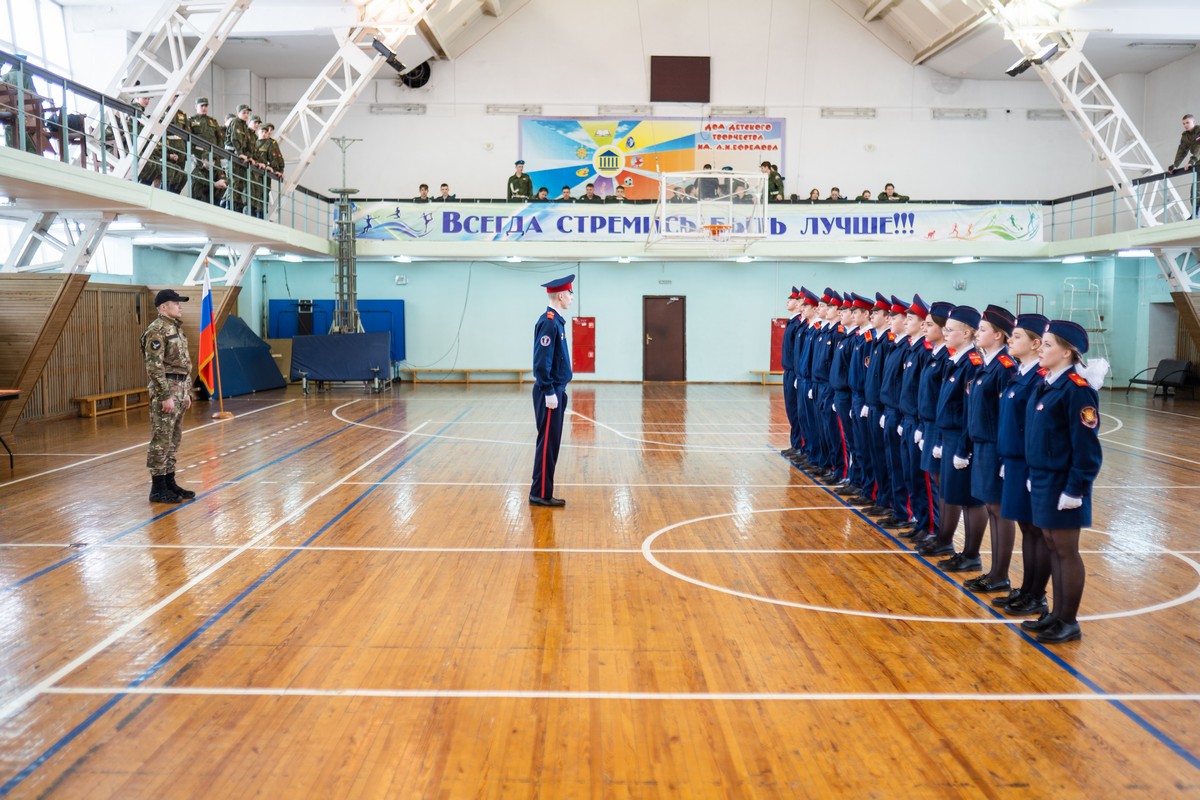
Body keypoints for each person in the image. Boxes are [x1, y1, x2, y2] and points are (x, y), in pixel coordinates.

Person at [1018, 320, 1105, 644]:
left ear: (1067, 352)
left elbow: (1086, 447)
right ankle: (1055, 615)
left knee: (1065, 550)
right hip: (1043, 477)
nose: (1040, 349)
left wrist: (1076, 488)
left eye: (1048, 344)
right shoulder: (1047, 383)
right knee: (1052, 547)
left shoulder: (1077, 389)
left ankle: (1068, 621)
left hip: (1064, 481)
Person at [992, 313, 1051, 617]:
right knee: (1027, 528)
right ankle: (1027, 589)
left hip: (1028, 462)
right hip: (1014, 460)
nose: (1010, 340)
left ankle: (1036, 594)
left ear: (1035, 344)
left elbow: (1033, 429)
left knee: (1036, 531)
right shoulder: (1020, 373)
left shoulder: (1038, 378)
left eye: (1016, 337)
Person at [960, 305, 1017, 593]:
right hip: (982, 443)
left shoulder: (1005, 367)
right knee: (991, 507)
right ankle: (994, 572)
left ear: (998, 335)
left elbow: (1006, 415)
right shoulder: (988, 363)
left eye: (982, 330)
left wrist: (1004, 454)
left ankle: (1000, 574)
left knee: (998, 509)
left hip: (995, 445)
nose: (977, 333)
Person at [142, 289, 195, 504]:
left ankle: (169, 482)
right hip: (167, 390)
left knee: (174, 439)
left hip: (179, 389)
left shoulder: (175, 328)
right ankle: (157, 488)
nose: (180, 306)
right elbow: (154, 367)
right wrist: (165, 395)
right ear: (163, 307)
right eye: (176, 303)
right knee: (161, 439)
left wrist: (187, 391)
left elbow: (183, 364)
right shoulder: (156, 331)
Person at [531, 274, 575, 507]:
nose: (571, 297)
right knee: (547, 443)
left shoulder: (556, 321)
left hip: (557, 390)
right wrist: (548, 391)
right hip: (550, 391)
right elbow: (542, 361)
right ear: (560, 296)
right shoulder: (549, 322)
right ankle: (540, 493)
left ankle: (542, 490)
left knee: (551, 443)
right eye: (570, 293)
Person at [780, 287, 803, 459]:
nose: (788, 301)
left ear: (799, 303)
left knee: (796, 410)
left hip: (795, 372)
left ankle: (799, 445)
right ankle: (795, 444)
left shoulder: (798, 324)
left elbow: (798, 353)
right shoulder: (792, 322)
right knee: (791, 410)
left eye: (792, 299)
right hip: (788, 371)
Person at [224, 104, 255, 212]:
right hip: (233, 155)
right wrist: (239, 153)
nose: (246, 115)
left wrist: (249, 157)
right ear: (238, 113)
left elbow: (247, 144)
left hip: (241, 158)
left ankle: (235, 207)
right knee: (233, 182)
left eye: (247, 113)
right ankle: (227, 205)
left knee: (240, 184)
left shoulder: (244, 126)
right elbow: (235, 139)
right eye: (244, 112)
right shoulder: (236, 122)